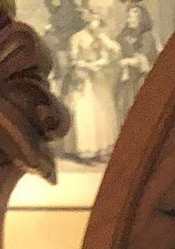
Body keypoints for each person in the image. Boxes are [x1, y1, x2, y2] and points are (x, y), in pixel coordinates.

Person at [66, 2, 122, 162]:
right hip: (84, 78)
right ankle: (85, 151)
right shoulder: (77, 38)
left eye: (98, 23)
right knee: (86, 112)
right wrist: (88, 66)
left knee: (103, 111)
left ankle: (102, 150)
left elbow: (112, 54)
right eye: (93, 22)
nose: (95, 26)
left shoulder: (103, 38)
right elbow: (74, 60)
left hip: (99, 79)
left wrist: (101, 60)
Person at [114, 3, 160, 127]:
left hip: (143, 77)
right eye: (128, 17)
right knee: (124, 106)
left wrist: (128, 61)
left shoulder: (147, 36)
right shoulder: (124, 34)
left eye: (133, 17)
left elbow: (143, 57)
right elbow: (116, 48)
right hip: (127, 78)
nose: (129, 20)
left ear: (141, 19)